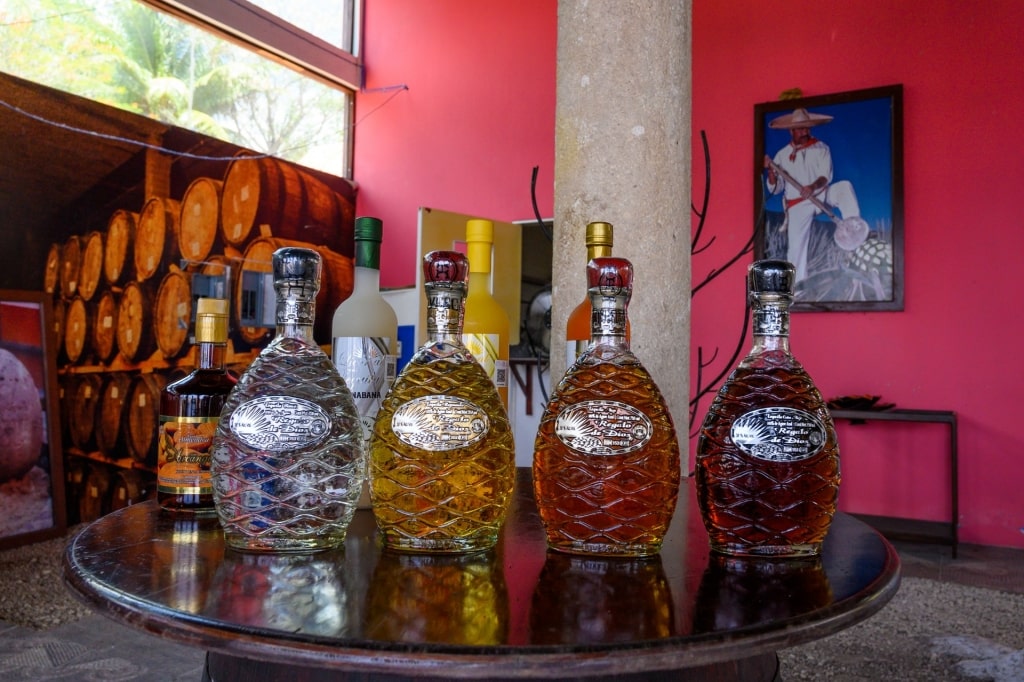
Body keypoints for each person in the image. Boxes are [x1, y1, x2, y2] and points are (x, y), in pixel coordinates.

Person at [763, 107, 862, 285]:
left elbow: (826, 176)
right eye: (801, 128)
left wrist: (812, 186)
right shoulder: (782, 155)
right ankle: (798, 287)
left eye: (807, 128)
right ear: (791, 131)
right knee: (796, 249)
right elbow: (776, 188)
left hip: (821, 194)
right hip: (798, 204)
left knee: (844, 187)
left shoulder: (821, 148)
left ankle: (853, 232)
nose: (805, 131)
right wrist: (771, 171)